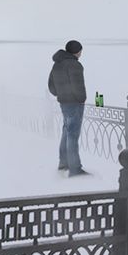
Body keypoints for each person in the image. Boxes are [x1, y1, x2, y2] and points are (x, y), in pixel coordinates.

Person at [47, 40, 90, 177]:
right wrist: (81, 99)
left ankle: (63, 163)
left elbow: (51, 87)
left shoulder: (57, 64)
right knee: (72, 135)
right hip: (75, 104)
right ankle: (75, 169)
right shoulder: (75, 65)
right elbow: (78, 87)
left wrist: (61, 94)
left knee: (66, 131)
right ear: (76, 51)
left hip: (64, 103)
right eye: (80, 51)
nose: (81, 53)